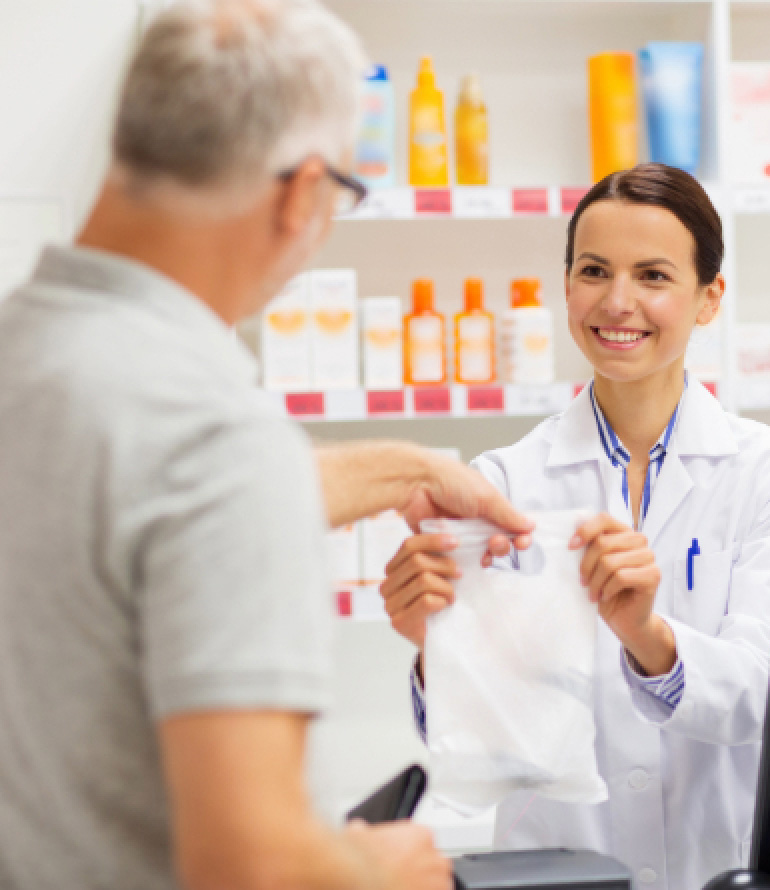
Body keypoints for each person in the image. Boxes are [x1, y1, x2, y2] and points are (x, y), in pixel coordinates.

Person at [0, 2, 531, 889]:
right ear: (300, 192)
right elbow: (249, 865)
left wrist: (415, 469)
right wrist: (377, 868)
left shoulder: (32, 351)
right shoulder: (215, 437)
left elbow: (143, 501)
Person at [381, 163, 770, 890]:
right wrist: (437, 652)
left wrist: (646, 635)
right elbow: (486, 746)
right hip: (557, 872)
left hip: (717, 866)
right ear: (565, 285)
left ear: (708, 298)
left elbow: (761, 699)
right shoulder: (503, 485)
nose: (618, 303)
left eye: (653, 276)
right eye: (594, 271)